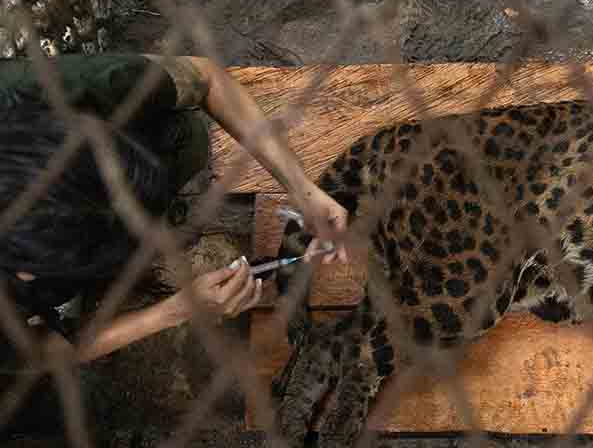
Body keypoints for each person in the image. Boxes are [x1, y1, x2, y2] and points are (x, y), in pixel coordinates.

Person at [0, 52, 349, 365]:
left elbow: (208, 78)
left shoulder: (45, 91)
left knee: (181, 137)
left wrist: (301, 188)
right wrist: (173, 312)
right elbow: (37, 353)